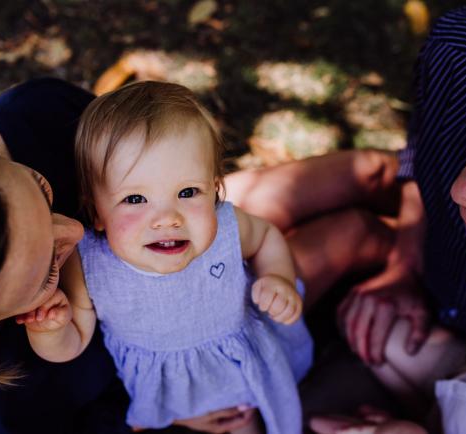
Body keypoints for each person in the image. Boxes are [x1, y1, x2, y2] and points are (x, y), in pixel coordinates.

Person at [17, 81, 312, 434]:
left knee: (265, 416)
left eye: (188, 192)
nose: (167, 218)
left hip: (247, 362)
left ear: (215, 187)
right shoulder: (88, 264)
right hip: (177, 395)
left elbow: (266, 238)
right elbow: (73, 343)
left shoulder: (226, 229)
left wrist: (276, 275)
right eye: (135, 200)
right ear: (96, 212)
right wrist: (48, 330)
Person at [306, 4, 466, 433]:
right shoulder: (462, 50)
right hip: (440, 333)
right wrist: (404, 263)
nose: (461, 191)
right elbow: (421, 154)